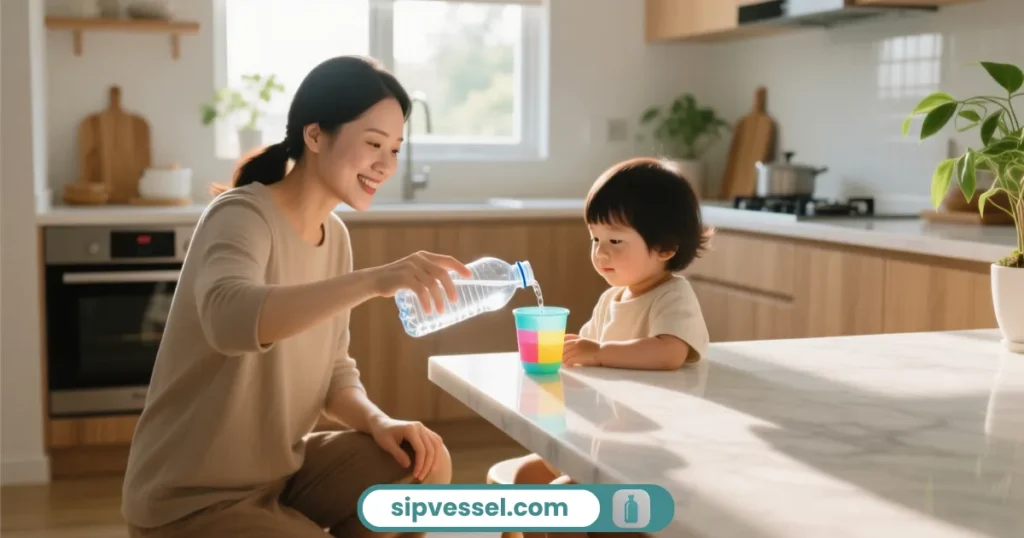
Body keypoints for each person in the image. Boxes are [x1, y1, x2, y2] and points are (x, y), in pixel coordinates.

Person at [120, 55, 472, 538]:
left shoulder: (337, 236)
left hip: (278, 475)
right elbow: (230, 319)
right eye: (373, 144)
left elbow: (333, 371)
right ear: (314, 135)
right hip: (190, 499)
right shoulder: (240, 216)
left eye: (394, 148)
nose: (386, 164)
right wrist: (374, 281)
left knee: (422, 467)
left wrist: (378, 422)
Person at [512, 156, 713, 538]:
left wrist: (599, 352)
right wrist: (568, 352)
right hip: (604, 441)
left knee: (560, 503)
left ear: (666, 246)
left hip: (652, 458)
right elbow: (586, 353)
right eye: (595, 239)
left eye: (615, 241)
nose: (600, 253)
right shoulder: (612, 299)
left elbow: (669, 351)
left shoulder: (672, 296)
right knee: (526, 476)